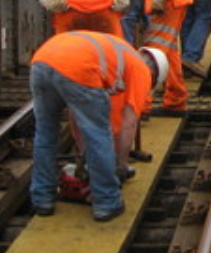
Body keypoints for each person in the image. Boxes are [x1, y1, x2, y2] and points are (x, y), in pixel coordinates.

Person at [29, 30, 167, 221]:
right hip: (77, 66)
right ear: (154, 74)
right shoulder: (142, 70)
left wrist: (85, 160)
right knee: (100, 133)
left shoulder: (118, 55)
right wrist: (120, 166)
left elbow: (77, 118)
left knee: (45, 134)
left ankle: (42, 199)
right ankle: (106, 202)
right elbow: (129, 124)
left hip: (42, 61)